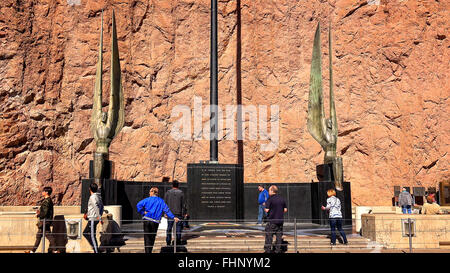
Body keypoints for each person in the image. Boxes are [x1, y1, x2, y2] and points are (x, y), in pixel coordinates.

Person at [137, 187, 179, 253]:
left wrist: (143, 212)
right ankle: (149, 251)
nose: (149, 193)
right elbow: (167, 210)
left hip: (147, 220)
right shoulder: (161, 201)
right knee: (152, 237)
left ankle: (147, 251)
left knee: (147, 237)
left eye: (149, 192)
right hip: (155, 221)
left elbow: (138, 205)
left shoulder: (147, 200)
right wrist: (173, 217)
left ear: (152, 192)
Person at [26, 186, 55, 253]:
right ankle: (33, 251)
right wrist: (39, 212)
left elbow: (45, 212)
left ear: (46, 192)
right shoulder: (48, 200)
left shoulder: (47, 201)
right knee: (40, 236)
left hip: (44, 221)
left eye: (43, 191)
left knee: (47, 236)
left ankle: (55, 250)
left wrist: (38, 214)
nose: (42, 192)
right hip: (46, 221)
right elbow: (45, 211)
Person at [263, 185, 287, 253]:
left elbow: (267, 210)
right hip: (280, 221)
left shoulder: (270, 199)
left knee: (269, 236)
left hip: (272, 221)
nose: (268, 192)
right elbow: (285, 210)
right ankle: (278, 250)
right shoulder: (282, 199)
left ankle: (267, 250)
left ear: (272, 191)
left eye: (269, 190)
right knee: (279, 237)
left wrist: (265, 207)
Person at [83, 183, 104, 253]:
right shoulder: (98, 196)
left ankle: (96, 250)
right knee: (85, 233)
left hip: (93, 218)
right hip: (93, 217)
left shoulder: (92, 197)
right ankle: (95, 247)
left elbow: (95, 207)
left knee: (92, 235)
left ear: (90, 189)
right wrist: (99, 215)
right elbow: (101, 207)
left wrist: (99, 217)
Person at [164, 180, 187, 246]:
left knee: (169, 228)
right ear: (178, 185)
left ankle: (168, 242)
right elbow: (184, 204)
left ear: (172, 185)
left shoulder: (168, 193)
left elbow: (165, 204)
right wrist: (184, 213)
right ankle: (178, 242)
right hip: (178, 213)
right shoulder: (181, 193)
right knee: (178, 228)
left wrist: (165, 213)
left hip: (169, 213)